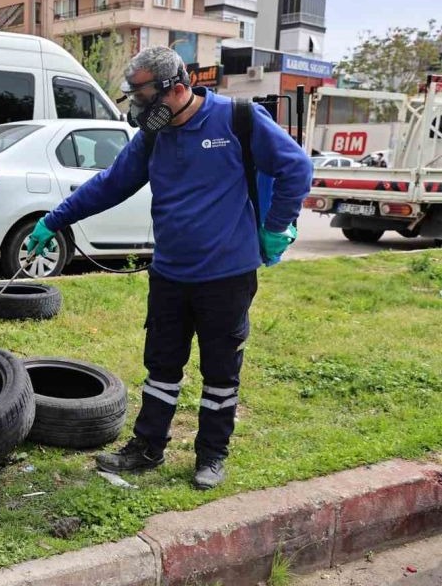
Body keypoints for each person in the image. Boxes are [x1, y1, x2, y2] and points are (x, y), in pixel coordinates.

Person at [26, 46, 312, 489]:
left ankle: (211, 455)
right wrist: (54, 219)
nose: (138, 111)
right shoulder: (153, 137)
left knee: (220, 372)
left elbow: (297, 167)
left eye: (144, 100)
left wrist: (276, 227)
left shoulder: (238, 119)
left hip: (226, 277)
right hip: (170, 275)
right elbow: (111, 184)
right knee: (161, 367)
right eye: (134, 101)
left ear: (177, 89)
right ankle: (147, 448)